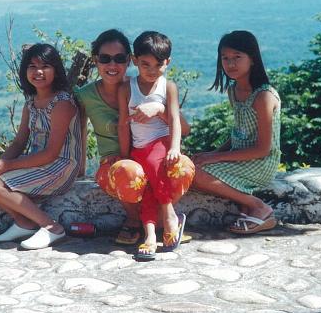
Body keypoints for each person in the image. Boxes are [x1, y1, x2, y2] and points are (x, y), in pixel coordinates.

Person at [75, 29, 190, 246]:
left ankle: (156, 221)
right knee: (130, 171)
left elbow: (184, 128)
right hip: (117, 163)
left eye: (119, 58)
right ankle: (139, 219)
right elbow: (79, 133)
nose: (112, 65)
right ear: (95, 60)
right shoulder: (86, 96)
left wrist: (158, 109)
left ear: (129, 60)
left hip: (155, 149)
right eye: (104, 59)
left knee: (181, 166)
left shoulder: (155, 86)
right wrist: (81, 168)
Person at [0, 43, 82, 249]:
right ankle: (24, 223)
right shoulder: (30, 103)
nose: (38, 72)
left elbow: (51, 153)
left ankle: (52, 228)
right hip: (36, 163)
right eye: (32, 66)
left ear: (55, 70)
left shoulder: (62, 104)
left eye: (45, 66)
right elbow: (20, 141)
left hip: (60, 166)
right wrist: (0, 164)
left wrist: (9, 167)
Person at [191, 30, 281, 234]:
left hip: (260, 164)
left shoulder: (263, 96)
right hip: (240, 158)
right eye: (226, 58)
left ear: (253, 59)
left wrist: (216, 159)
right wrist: (211, 154)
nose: (230, 64)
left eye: (237, 57)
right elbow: (238, 135)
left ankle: (259, 207)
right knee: (188, 169)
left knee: (195, 174)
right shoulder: (234, 90)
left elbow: (263, 149)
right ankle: (245, 204)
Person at [118, 30, 188, 260]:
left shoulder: (168, 87)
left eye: (158, 65)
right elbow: (123, 124)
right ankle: (159, 227)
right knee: (148, 187)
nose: (152, 70)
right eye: (145, 64)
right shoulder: (127, 88)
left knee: (153, 163)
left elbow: (175, 120)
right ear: (135, 60)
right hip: (139, 147)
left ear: (167, 62)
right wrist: (124, 154)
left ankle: (159, 225)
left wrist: (175, 148)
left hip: (161, 143)